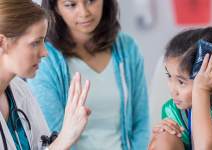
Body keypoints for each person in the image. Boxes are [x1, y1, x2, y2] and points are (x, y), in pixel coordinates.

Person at [27, 0, 149, 149]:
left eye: (91, 1)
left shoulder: (128, 47)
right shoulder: (44, 59)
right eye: (71, 5)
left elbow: (142, 123)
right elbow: (54, 133)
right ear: (55, 8)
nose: (84, 12)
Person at [0, 0, 91, 149]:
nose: (45, 52)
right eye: (36, 42)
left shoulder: (21, 91)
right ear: (2, 42)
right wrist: (65, 138)